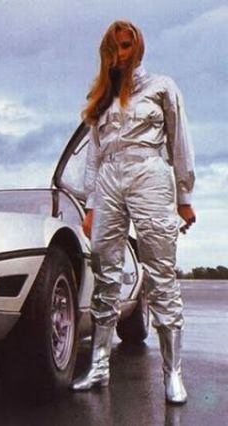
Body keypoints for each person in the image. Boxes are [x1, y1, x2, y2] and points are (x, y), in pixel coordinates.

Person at [70, 20, 196, 405]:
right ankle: (99, 366)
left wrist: (184, 195)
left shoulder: (161, 87)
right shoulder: (101, 98)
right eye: (114, 49)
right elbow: (94, 156)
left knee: (160, 271)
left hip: (150, 173)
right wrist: (90, 205)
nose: (120, 54)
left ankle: (172, 373)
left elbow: (179, 140)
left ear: (137, 48)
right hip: (109, 178)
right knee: (105, 270)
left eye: (126, 46)